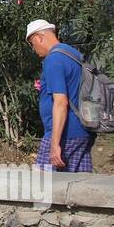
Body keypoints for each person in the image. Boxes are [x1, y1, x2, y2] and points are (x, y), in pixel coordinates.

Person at [25, 19, 94, 172]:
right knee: (78, 187)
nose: (34, 49)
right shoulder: (72, 53)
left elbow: (61, 102)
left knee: (43, 187)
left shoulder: (53, 60)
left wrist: (55, 144)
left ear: (38, 38)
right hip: (83, 131)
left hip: (64, 134)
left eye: (32, 43)